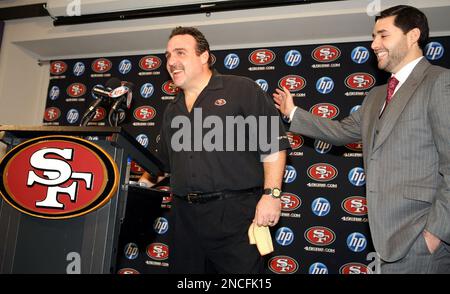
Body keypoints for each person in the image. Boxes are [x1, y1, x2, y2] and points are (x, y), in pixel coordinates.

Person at [274, 5, 450, 274]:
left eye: (383, 35)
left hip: (420, 237)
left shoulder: (439, 82)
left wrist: (435, 233)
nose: (373, 44)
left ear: (413, 35)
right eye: (373, 36)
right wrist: (293, 113)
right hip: (383, 238)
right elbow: (342, 132)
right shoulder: (377, 95)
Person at [140, 26, 289, 274]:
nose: (171, 62)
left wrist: (272, 195)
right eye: (167, 56)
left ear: (204, 56)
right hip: (184, 219)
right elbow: (163, 166)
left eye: (180, 53)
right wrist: (135, 188)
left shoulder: (242, 89)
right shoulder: (172, 110)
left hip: (235, 216)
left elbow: (272, 143)